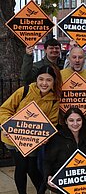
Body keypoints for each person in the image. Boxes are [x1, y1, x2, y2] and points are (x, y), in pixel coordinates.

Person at [0, 65, 61, 194]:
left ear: (54, 81)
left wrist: (46, 136)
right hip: (12, 139)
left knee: (33, 168)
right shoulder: (24, 91)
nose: (44, 83)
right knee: (22, 166)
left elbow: (52, 122)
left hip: (34, 140)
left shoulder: (54, 99)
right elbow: (4, 109)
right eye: (41, 79)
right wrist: (8, 125)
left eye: (48, 80)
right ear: (36, 79)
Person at [43, 108, 86, 193]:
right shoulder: (57, 138)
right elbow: (48, 161)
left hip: (82, 177)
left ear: (82, 121)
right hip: (63, 178)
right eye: (71, 120)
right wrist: (49, 176)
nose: (75, 124)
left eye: (78, 120)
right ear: (66, 121)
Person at [60, 47, 86, 125]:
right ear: (69, 58)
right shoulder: (60, 74)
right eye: (74, 57)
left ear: (85, 59)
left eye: (80, 57)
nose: (77, 60)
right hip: (65, 121)